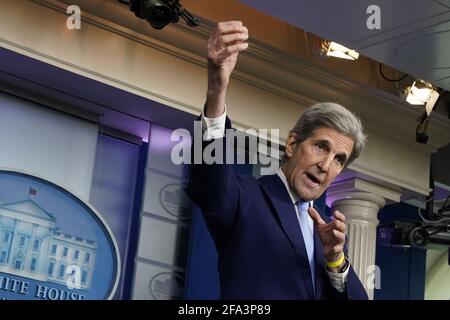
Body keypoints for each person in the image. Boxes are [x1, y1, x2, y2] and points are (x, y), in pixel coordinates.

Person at [187, 21, 369, 300]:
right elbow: (210, 184)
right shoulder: (246, 197)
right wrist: (216, 88)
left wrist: (335, 260)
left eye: (338, 160)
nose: (325, 165)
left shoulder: (325, 233)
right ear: (293, 143)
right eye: (321, 147)